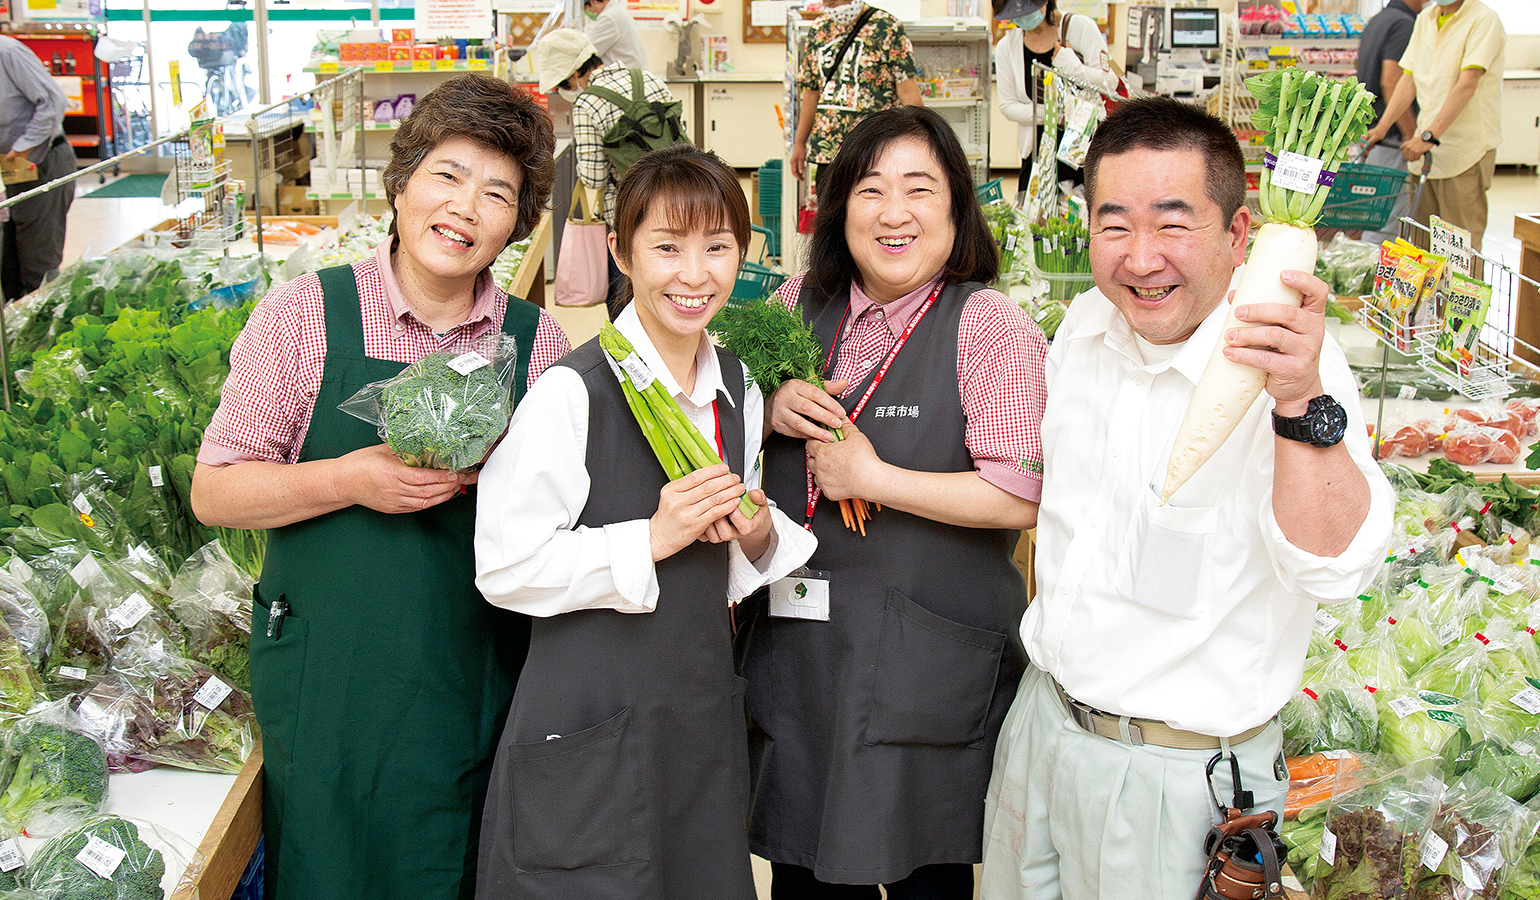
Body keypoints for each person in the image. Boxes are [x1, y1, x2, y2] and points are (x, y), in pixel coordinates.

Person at [979, 97, 1394, 900]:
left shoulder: (1293, 369)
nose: (1140, 259)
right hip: (1042, 729)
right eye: (1114, 224)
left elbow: (1333, 568)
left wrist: (1300, 401)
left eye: (1174, 224)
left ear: (1238, 236)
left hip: (1178, 776)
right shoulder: (1084, 329)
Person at [189, 74, 571, 900]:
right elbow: (216, 491)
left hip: (468, 681)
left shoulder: (537, 345)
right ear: (401, 183)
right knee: (331, 865)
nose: (465, 208)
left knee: (458, 866)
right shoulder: (303, 316)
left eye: (498, 193)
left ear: (517, 223)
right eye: (447, 175)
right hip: (332, 682)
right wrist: (350, 478)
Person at [474, 145, 816, 899]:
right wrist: (650, 538)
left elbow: (737, 548)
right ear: (621, 251)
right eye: (667, 248)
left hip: (692, 719)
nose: (694, 275)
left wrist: (756, 532)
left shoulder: (738, 387)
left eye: (717, 247)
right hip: (588, 723)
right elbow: (503, 566)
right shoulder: (573, 393)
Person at [742, 105, 1046, 899]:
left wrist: (875, 481)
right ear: (840, 207)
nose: (894, 212)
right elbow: (716, 421)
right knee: (803, 875)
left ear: (956, 208)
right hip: (804, 664)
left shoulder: (988, 326)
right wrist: (765, 408)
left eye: (920, 188)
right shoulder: (791, 308)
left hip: (926, 674)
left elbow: (1022, 493)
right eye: (870, 189)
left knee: (928, 876)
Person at [536, 28, 683, 321]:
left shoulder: (587, 103)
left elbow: (593, 178)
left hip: (627, 214)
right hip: (676, 200)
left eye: (564, 81)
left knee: (625, 303)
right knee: (669, 289)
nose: (566, 87)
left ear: (576, 72)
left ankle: (629, 360)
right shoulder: (648, 79)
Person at [1364, 0, 1505, 250]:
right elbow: (1408, 79)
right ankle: (1428, 292)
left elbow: (1467, 83)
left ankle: (1459, 292)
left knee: (1460, 248)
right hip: (1423, 156)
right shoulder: (1425, 18)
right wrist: (1382, 127)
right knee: (1420, 244)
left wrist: (1430, 135)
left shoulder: (1483, 19)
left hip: (1463, 153)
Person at [790, 0, 924, 186]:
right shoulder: (819, 29)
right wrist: (799, 143)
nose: (833, 6)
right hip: (828, 153)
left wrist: (920, 144)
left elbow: (909, 94)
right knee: (830, 213)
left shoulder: (887, 27)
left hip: (874, 150)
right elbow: (811, 92)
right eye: (828, 3)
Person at [993, 0, 1116, 196]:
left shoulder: (1079, 28)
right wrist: (1054, 113)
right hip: (1037, 154)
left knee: (1082, 219)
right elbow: (1008, 106)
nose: (1021, 18)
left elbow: (1110, 82)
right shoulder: (1007, 47)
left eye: (1027, 10)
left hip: (1083, 152)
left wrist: (1071, 66)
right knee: (1035, 221)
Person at [0, 34, 73, 302]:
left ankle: (43, 336)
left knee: (37, 265)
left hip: (41, 162)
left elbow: (54, 101)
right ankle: (14, 337)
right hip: (7, 173)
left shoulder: (7, 52)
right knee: (7, 266)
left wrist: (23, 145)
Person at [1355, 0, 1424, 244]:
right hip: (1392, 139)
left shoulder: (1378, 20)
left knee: (1372, 214)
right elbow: (1392, 81)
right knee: (1387, 222)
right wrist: (1410, 132)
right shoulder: (1405, 25)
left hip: (1372, 134)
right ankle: (1375, 277)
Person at [584, 0, 647, 70]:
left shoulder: (609, 17)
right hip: (632, 72)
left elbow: (589, 50)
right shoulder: (617, 10)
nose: (592, 11)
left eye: (588, 7)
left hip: (625, 76)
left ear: (594, 2)